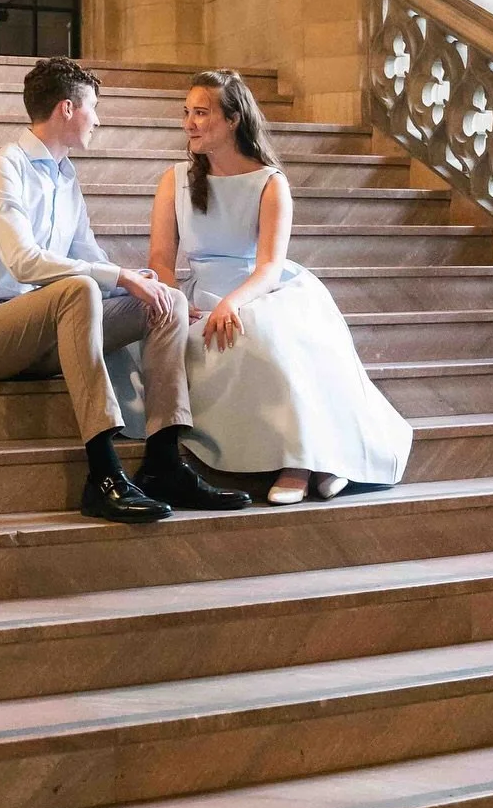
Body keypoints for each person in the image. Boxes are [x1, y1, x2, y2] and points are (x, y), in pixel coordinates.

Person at [0, 57, 252, 524]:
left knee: (165, 299)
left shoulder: (66, 177)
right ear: (67, 109)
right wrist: (119, 277)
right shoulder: (1, 169)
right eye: (94, 107)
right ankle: (104, 474)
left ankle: (164, 462)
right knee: (79, 290)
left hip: (50, 332)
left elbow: (90, 257)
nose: (99, 118)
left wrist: (143, 283)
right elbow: (25, 261)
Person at [148, 70, 413, 503]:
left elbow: (270, 266)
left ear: (233, 119)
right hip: (199, 293)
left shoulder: (270, 182)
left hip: (260, 289)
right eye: (187, 113)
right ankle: (319, 458)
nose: (190, 123)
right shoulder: (174, 180)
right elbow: (160, 259)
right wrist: (176, 300)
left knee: (272, 337)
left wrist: (231, 303)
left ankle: (303, 462)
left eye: (201, 113)